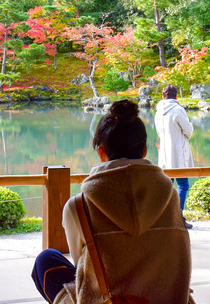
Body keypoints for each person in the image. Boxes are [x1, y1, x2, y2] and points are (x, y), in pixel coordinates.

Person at [31, 100, 192, 304]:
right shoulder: (170, 197)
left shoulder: (78, 206)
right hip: (164, 299)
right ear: (144, 151)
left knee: (46, 260)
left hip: (106, 300)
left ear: (101, 152)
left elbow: (81, 265)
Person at [155, 85, 194, 229]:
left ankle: (165, 218)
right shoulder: (178, 110)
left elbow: (159, 133)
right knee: (183, 185)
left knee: (167, 186)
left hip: (164, 153)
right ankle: (178, 217)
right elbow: (188, 131)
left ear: (163, 96)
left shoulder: (159, 111)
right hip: (178, 153)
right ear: (176, 96)